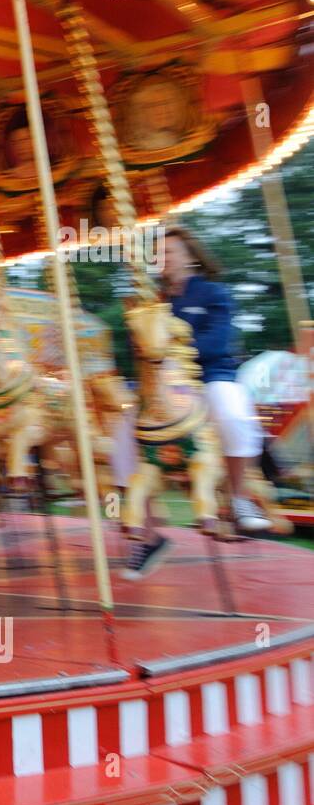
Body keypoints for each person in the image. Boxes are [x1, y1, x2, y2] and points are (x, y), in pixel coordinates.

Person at [127, 227, 273, 577]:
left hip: (210, 377)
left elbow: (218, 342)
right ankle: (148, 534)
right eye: (158, 253)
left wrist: (173, 349)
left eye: (170, 251)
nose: (163, 258)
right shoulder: (154, 302)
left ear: (190, 256)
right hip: (164, 390)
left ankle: (237, 499)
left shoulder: (212, 294)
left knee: (232, 413)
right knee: (123, 436)